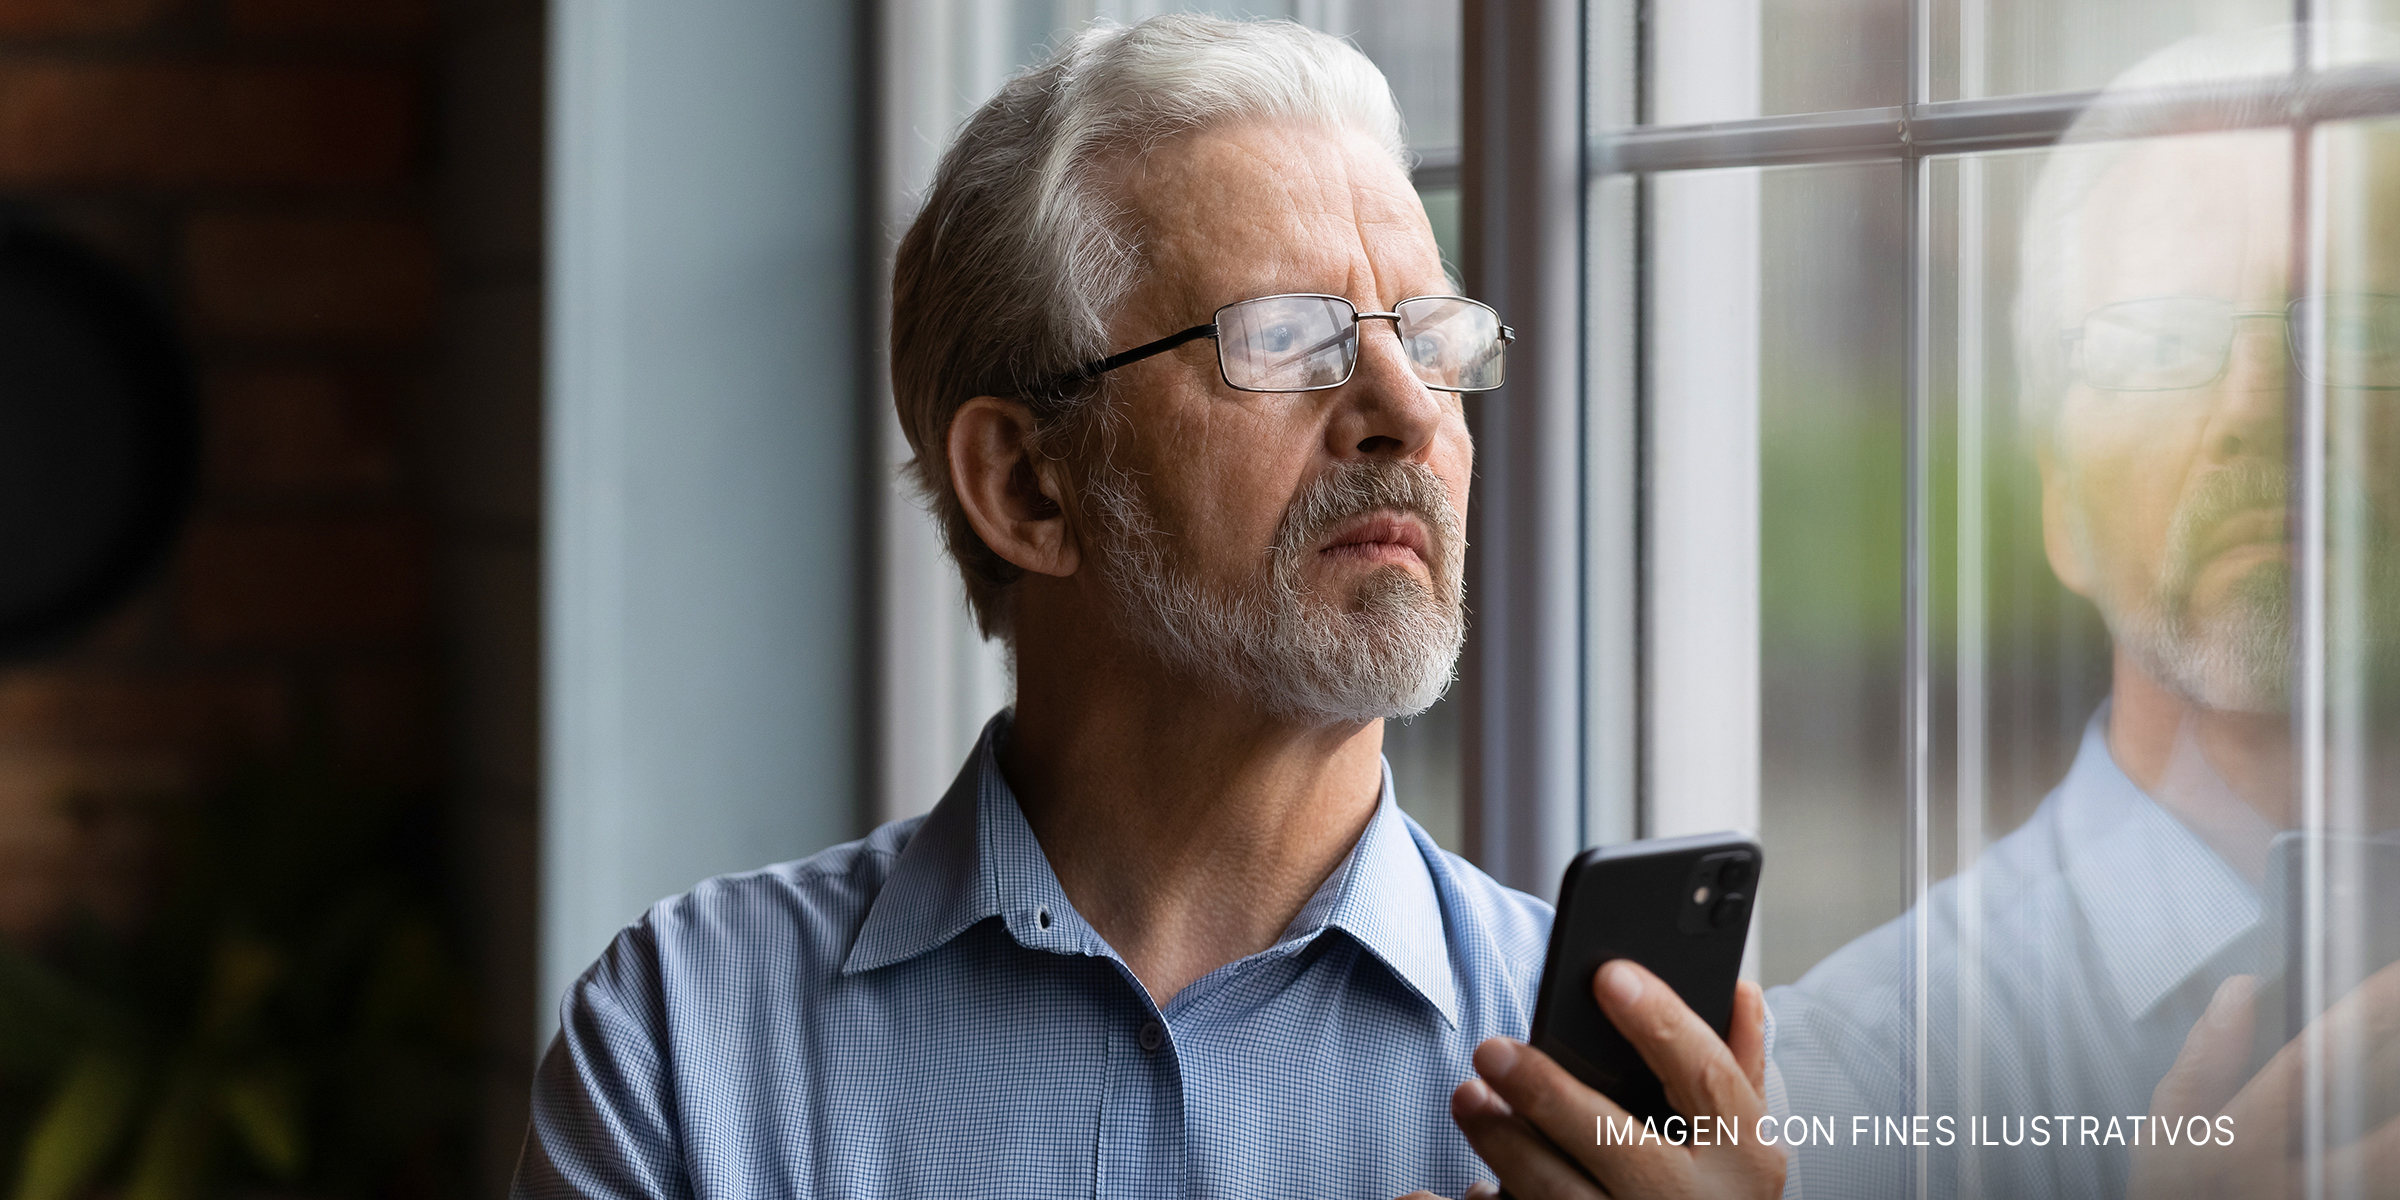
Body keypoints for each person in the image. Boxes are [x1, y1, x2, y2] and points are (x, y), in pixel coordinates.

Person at [511, 16, 1781, 1200]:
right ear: (1024, 486)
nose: (1408, 410)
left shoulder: (1616, 1080)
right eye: (1288, 338)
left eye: (1429, 334)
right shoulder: (682, 1042)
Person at [1766, 28, 2400, 1199]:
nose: (2262, 404)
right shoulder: (1852, 1089)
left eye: (2365, 334)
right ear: (2059, 490)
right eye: (2164, 342)